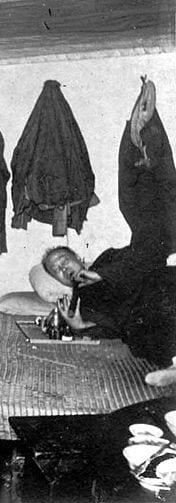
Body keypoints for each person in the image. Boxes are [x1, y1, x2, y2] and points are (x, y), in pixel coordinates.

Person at [43, 79, 176, 366]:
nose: (62, 266)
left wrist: (105, 275)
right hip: (149, 325)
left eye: (63, 259)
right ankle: (143, 139)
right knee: (149, 215)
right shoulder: (76, 304)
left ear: (79, 259)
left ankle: (138, 139)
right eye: (57, 270)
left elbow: (150, 257)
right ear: (58, 281)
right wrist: (80, 326)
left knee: (140, 218)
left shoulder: (107, 259)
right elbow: (114, 330)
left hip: (162, 290)